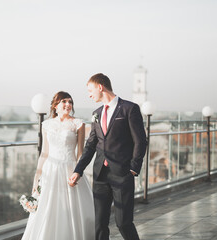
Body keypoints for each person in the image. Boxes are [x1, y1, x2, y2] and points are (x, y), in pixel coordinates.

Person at [69, 73, 147, 240]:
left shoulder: (129, 108)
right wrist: (78, 170)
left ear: (100, 87)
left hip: (122, 174)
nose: (89, 94)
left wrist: (133, 169)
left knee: (123, 222)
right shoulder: (96, 113)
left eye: (90, 90)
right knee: (99, 224)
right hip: (100, 175)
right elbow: (90, 145)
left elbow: (140, 141)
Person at [21, 91, 95, 240]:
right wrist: (37, 177)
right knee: (48, 208)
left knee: (70, 209)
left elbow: (80, 153)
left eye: (70, 102)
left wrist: (78, 173)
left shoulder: (78, 124)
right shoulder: (46, 124)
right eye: (64, 102)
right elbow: (44, 153)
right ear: (56, 105)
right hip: (50, 169)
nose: (68, 105)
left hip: (69, 168)